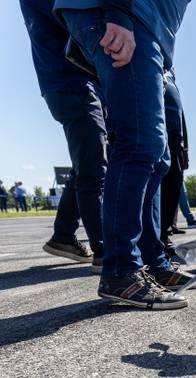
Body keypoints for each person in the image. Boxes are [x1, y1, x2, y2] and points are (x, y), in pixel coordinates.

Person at [56, 0, 196, 310]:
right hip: (125, 13)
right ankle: (121, 271)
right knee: (139, 143)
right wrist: (118, 11)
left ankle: (153, 262)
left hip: (144, 24)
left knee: (158, 157)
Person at [21, 0, 105, 268]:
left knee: (86, 165)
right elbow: (81, 23)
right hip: (73, 82)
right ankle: (106, 251)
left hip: (66, 83)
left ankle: (64, 236)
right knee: (94, 169)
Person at [160, 70, 189, 250]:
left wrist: (184, 144)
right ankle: (158, 235)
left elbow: (180, 113)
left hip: (175, 138)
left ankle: (164, 233)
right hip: (157, 132)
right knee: (159, 186)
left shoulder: (171, 76)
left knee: (174, 184)